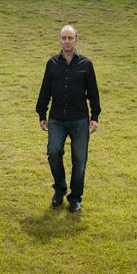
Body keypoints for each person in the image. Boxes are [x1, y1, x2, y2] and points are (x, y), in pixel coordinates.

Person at [35, 25, 101, 212]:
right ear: (60, 40)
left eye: (70, 38)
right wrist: (41, 113)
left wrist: (94, 116)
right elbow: (45, 90)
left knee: (80, 160)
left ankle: (75, 197)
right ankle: (60, 189)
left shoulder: (86, 64)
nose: (67, 41)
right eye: (63, 38)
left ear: (76, 39)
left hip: (80, 120)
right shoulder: (52, 63)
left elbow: (93, 93)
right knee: (54, 153)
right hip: (56, 119)